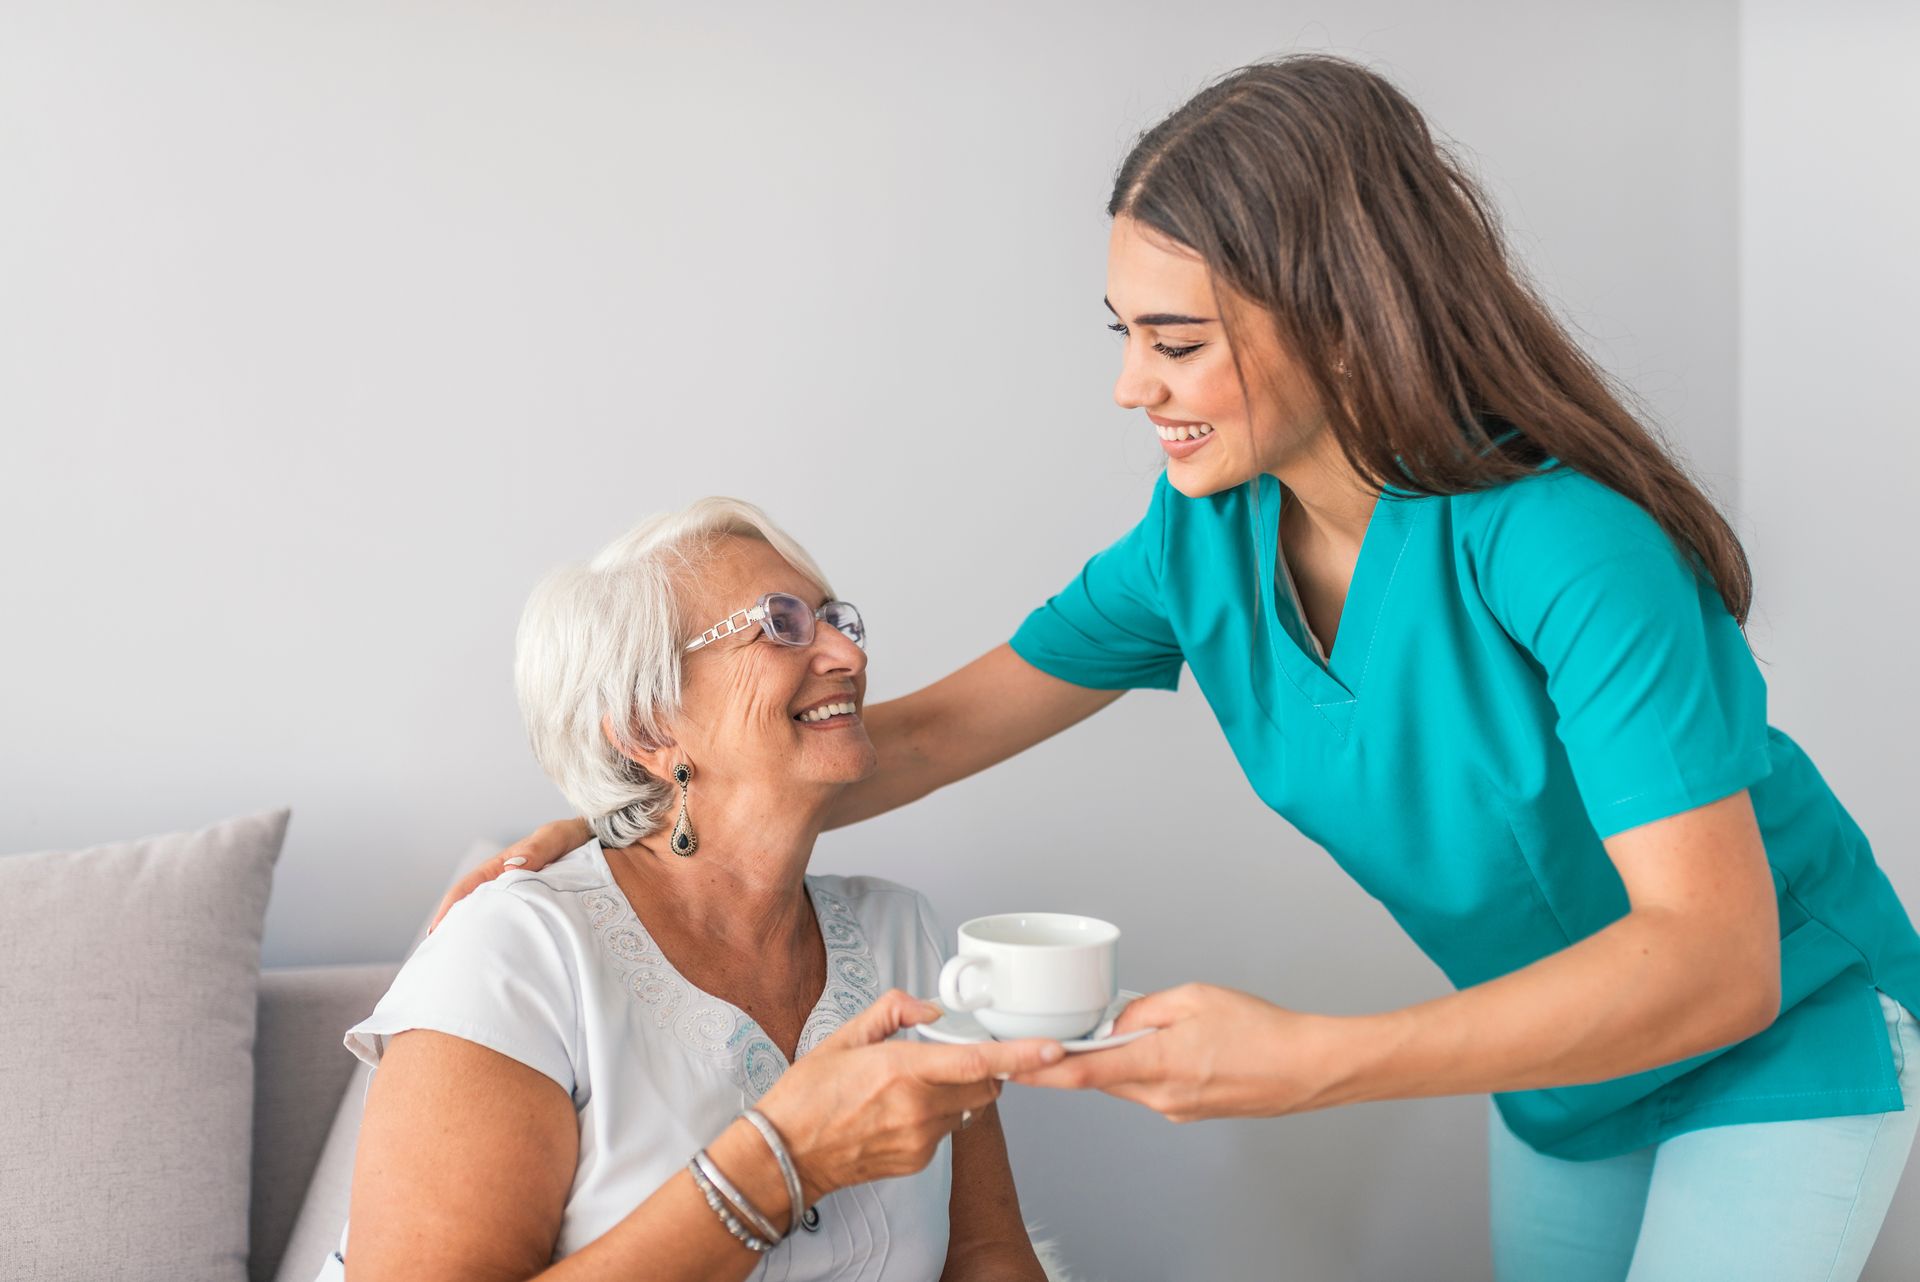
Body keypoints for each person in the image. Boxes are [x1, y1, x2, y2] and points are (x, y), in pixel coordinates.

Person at [442, 56, 1920, 1279]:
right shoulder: (1201, 541)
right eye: (1123, 334)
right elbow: (921, 735)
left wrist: (1311, 1061)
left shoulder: (1565, 550)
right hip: (1558, 1068)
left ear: (1337, 319)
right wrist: (635, 826)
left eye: (1175, 341)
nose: (1129, 384)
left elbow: (1718, 959)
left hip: (1785, 1030)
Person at [327, 498, 1064, 1281]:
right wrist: (781, 1164)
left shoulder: (900, 933)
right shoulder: (514, 955)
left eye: (835, 618)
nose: (847, 653)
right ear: (647, 726)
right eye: (781, 623)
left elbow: (986, 1254)